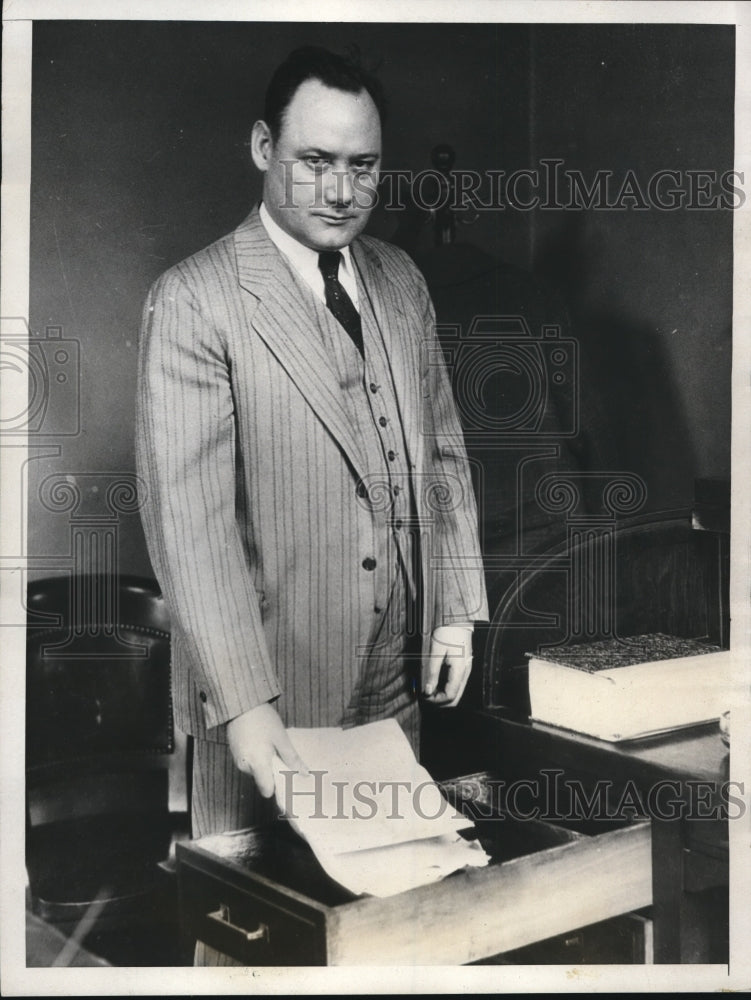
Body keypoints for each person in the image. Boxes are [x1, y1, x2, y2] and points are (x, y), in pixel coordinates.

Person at [135, 46, 488, 844]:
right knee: (256, 910)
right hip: (268, 694)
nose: (340, 191)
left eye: (362, 166)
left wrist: (454, 614)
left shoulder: (401, 279)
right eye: (315, 161)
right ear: (264, 147)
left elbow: (442, 450)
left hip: (395, 683)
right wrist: (245, 706)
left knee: (394, 895)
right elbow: (191, 531)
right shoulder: (193, 300)